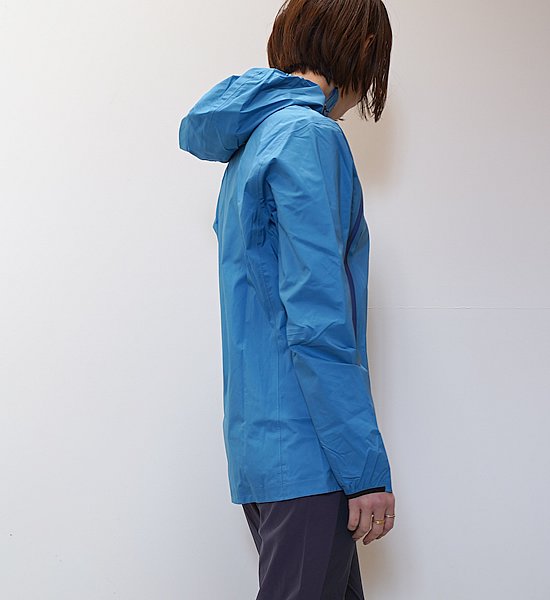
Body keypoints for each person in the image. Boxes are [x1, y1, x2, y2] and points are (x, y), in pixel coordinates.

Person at [179, 0, 396, 597]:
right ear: (362, 51)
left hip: (265, 447)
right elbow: (317, 318)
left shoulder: (252, 144)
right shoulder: (308, 136)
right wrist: (363, 468)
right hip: (309, 454)